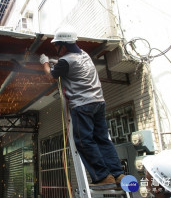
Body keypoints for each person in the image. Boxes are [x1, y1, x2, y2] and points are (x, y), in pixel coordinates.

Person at [40, 26, 124, 190]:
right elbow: (68, 65)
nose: (57, 49)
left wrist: (44, 62)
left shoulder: (66, 61)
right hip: (99, 102)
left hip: (83, 105)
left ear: (63, 44)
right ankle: (118, 174)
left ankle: (102, 177)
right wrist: (56, 62)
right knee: (102, 139)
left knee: (83, 140)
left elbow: (50, 75)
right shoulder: (84, 54)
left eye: (57, 45)